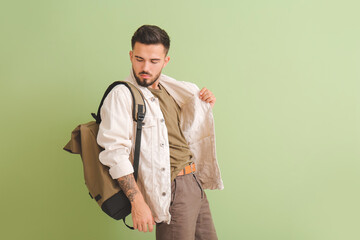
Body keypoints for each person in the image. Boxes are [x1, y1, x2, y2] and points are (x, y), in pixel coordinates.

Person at [97, 25, 223, 240]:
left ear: (166, 61)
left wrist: (203, 104)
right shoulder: (122, 95)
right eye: (139, 59)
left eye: (154, 61)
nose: (145, 67)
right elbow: (115, 154)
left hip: (194, 181)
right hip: (172, 188)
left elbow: (182, 130)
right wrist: (137, 202)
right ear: (131, 56)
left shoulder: (171, 89)